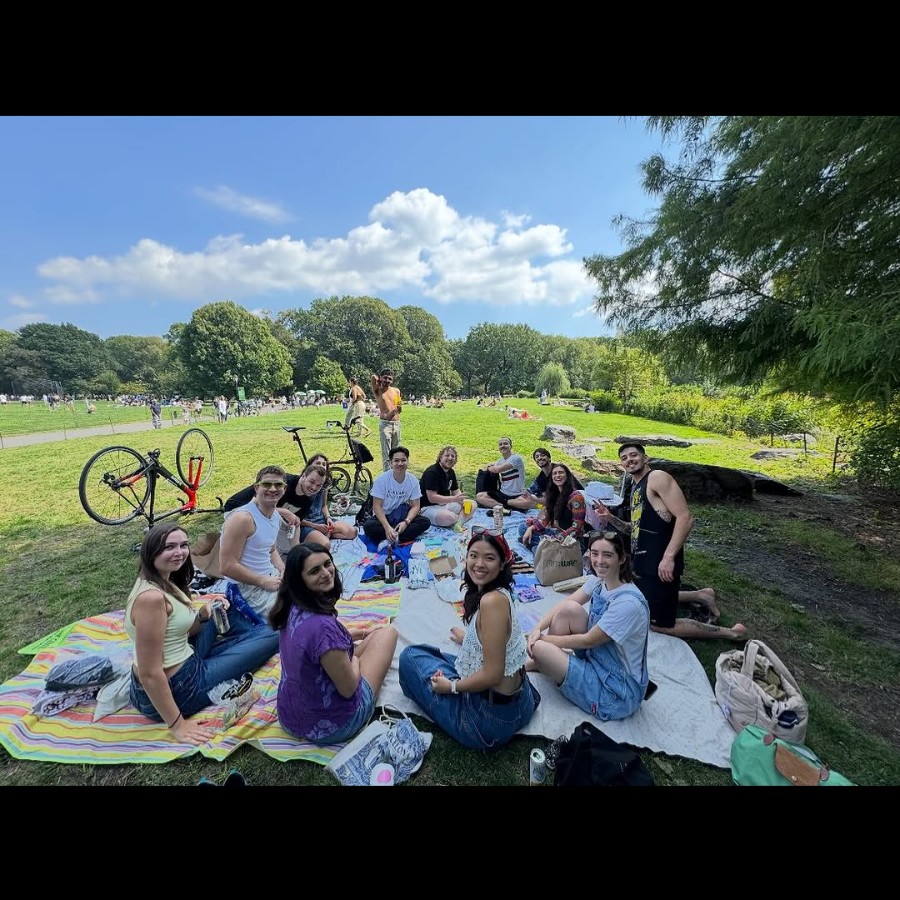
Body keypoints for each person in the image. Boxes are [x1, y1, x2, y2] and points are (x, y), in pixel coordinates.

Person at [126, 522, 278, 745]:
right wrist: (178, 725)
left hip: (187, 658)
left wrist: (205, 614)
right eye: (169, 547)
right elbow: (149, 673)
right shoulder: (151, 599)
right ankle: (252, 640)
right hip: (183, 688)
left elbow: (180, 629)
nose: (179, 553)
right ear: (151, 551)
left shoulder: (160, 581)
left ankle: (247, 639)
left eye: (183, 545)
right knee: (276, 634)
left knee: (221, 609)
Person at [398, 531, 541, 751]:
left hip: (489, 722)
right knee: (430, 653)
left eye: (489, 558)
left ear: (503, 563)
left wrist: (451, 687)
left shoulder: (491, 602)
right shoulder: (501, 593)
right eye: (474, 555)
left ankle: (456, 693)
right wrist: (469, 639)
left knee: (410, 658)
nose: (479, 564)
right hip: (523, 700)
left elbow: (493, 674)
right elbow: (499, 638)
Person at [591, 443, 747, 641]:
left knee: (660, 625)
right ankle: (701, 595)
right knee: (640, 597)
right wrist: (610, 518)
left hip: (660, 561)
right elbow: (635, 528)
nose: (629, 460)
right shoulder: (637, 487)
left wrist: (669, 557)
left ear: (645, 458)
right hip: (643, 561)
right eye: (624, 458)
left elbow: (685, 517)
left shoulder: (657, 478)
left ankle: (733, 633)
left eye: (634, 455)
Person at [270, 543, 398, 745]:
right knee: (388, 634)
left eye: (327, 564)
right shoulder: (322, 629)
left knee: (375, 635)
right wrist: (354, 660)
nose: (326, 573)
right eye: (314, 571)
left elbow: (321, 647)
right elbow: (348, 689)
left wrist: (362, 634)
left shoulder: (292, 607)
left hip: (290, 717)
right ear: (299, 581)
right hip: (334, 726)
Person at [525, 530, 651, 720]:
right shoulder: (599, 580)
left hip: (615, 692)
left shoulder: (628, 603)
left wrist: (541, 639)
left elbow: (587, 641)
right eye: (594, 553)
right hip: (598, 659)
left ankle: (544, 660)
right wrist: (537, 628)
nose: (599, 561)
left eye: (607, 555)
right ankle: (542, 662)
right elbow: (563, 605)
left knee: (538, 647)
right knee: (568, 609)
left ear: (622, 558)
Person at [224, 456, 357, 558]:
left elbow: (296, 523)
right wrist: (285, 512)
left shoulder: (309, 498)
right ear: (303, 475)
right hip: (238, 510)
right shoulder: (284, 483)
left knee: (287, 548)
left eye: (319, 486)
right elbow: (258, 504)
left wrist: (296, 550)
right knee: (266, 542)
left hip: (264, 515)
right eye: (311, 481)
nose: (314, 488)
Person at [219, 465, 290, 618]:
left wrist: (283, 569)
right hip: (247, 588)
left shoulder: (275, 516)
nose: (272, 489)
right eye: (267, 484)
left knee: (313, 598)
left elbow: (271, 549)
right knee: (292, 618)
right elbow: (227, 566)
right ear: (256, 487)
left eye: (278, 485)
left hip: (271, 577)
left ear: (285, 489)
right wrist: (262, 581)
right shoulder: (243, 519)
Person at [361, 446, 430, 545]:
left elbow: (416, 506)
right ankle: (396, 536)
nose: (400, 464)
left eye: (403, 460)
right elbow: (377, 507)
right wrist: (387, 527)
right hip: (384, 517)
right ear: (391, 463)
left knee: (425, 522)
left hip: (402, 516)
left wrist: (406, 522)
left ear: (407, 461)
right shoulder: (382, 480)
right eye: (396, 461)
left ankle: (392, 537)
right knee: (369, 527)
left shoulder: (413, 480)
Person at [519, 463, 587, 549]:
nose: (557, 475)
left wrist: (552, 539)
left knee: (539, 547)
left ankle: (536, 546)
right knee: (523, 527)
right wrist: (531, 528)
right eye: (554, 473)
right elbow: (546, 520)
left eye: (561, 472)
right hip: (556, 533)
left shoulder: (576, 497)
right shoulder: (555, 494)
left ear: (567, 476)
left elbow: (577, 528)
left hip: (572, 540)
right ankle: (538, 546)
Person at [419, 446, 473, 528]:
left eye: (453, 456)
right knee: (449, 518)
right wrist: (454, 499)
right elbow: (432, 498)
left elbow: (456, 491)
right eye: (447, 455)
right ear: (440, 457)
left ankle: (458, 524)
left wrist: (462, 500)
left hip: (445, 504)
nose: (450, 458)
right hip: (428, 507)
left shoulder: (451, 472)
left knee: (472, 504)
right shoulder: (432, 472)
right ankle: (458, 519)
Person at [474, 436, 533, 510]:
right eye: (500, 444)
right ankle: (506, 507)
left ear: (510, 446)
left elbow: (498, 469)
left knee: (529, 503)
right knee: (479, 496)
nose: (503, 446)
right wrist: (488, 466)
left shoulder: (516, 458)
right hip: (503, 494)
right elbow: (488, 468)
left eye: (505, 443)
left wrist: (488, 468)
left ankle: (505, 505)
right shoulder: (500, 461)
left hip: (517, 494)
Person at [371, 368, 402, 471]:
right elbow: (373, 377)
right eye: (385, 378)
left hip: (396, 424)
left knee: (396, 452)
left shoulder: (396, 391)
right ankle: (387, 477)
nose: (387, 380)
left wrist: (397, 409)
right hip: (385, 425)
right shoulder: (378, 390)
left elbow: (399, 407)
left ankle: (396, 473)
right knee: (386, 454)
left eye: (389, 379)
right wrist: (379, 380)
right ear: (380, 378)